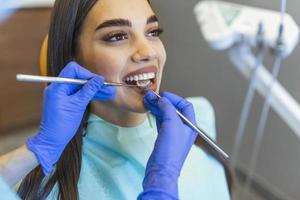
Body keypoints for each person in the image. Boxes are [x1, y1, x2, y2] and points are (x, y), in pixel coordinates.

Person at [0, 0, 231, 199]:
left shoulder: (198, 116)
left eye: (152, 32)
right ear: (74, 61)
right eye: (117, 36)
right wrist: (36, 151)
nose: (148, 52)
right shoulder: (48, 189)